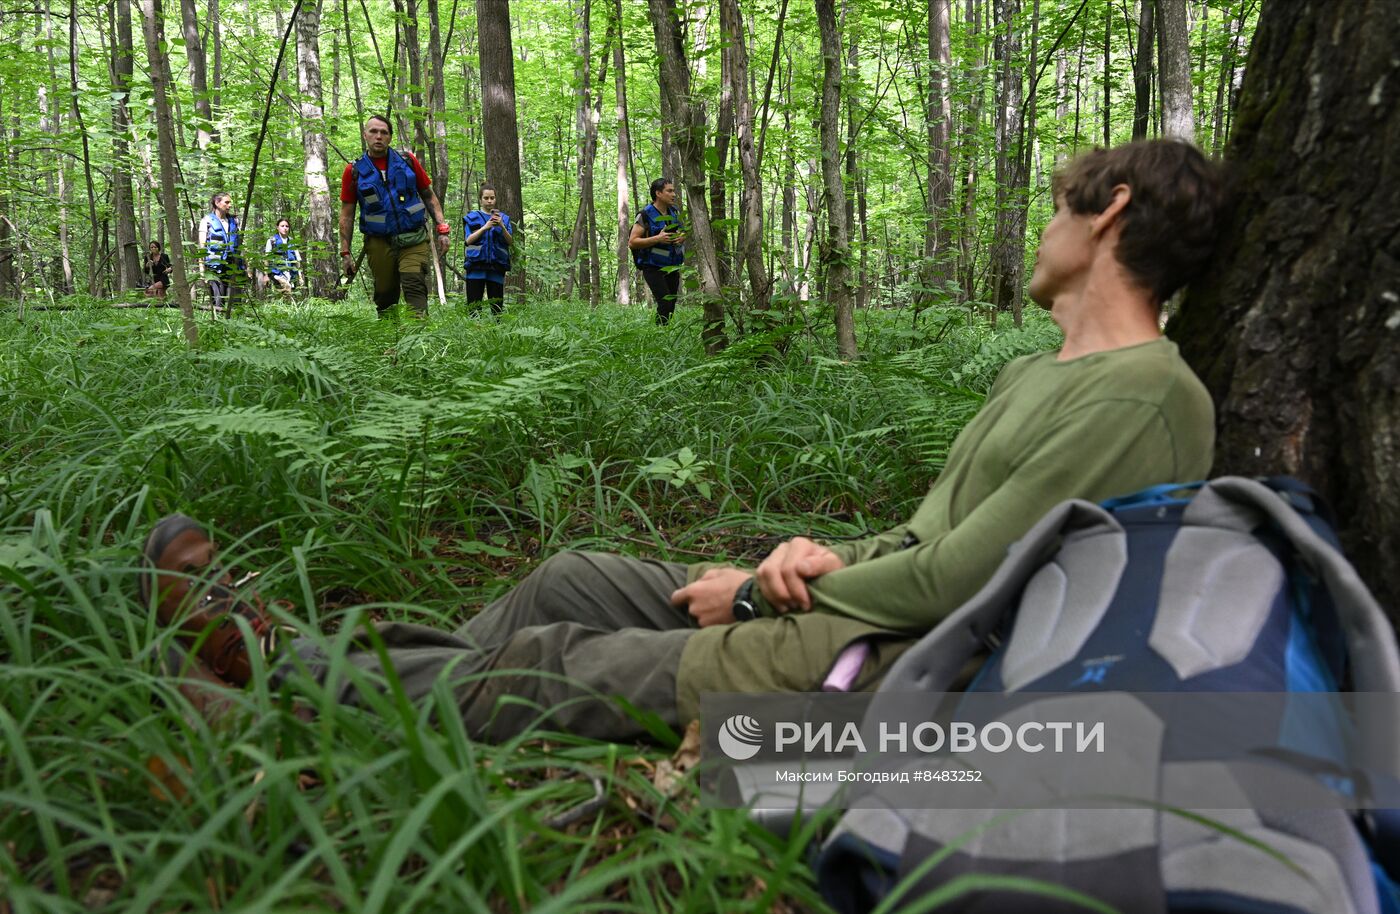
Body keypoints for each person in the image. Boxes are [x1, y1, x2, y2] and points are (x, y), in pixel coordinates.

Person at [144, 139, 1229, 744]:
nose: (1039, 229)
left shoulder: (1142, 395)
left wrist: (755, 597)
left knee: (543, 662)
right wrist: (820, 554)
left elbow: (966, 581)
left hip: (891, 666)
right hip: (864, 602)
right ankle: (379, 681)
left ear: (1108, 213)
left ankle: (286, 677)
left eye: (1054, 209)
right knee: (571, 578)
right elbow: (928, 529)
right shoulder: (1035, 369)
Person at [339, 114, 450, 318]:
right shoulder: (353, 171)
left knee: (414, 285)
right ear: (365, 135)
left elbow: (428, 195)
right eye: (373, 131)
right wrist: (345, 253)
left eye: (384, 132)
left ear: (390, 137)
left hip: (413, 237)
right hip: (378, 241)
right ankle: (390, 341)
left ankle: (419, 340)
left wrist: (442, 228)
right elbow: (347, 214)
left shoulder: (407, 161)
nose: (378, 136)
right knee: (385, 295)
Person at [629, 178, 686, 325]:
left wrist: (681, 237)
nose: (674, 194)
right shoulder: (645, 215)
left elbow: (683, 231)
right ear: (658, 193)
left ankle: (663, 331)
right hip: (652, 266)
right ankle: (659, 332)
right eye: (669, 191)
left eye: (673, 190)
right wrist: (657, 239)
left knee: (671, 304)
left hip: (672, 265)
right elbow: (632, 242)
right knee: (664, 303)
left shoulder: (674, 212)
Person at [461, 184, 514, 316]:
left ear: (495, 199)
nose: (489, 201)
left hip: (496, 267)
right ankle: (474, 333)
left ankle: (496, 333)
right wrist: (485, 227)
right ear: (480, 200)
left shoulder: (504, 219)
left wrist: (501, 226)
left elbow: (510, 241)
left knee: (497, 309)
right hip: (475, 267)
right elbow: (468, 241)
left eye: (492, 198)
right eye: (486, 198)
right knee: (474, 308)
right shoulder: (471, 217)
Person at [198, 193, 250, 314]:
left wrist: (247, 267)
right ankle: (219, 328)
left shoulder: (234, 221)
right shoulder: (207, 221)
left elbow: (240, 246)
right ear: (217, 203)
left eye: (230, 202)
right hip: (214, 267)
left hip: (233, 267)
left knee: (236, 301)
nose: (229, 205)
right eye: (226, 202)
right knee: (218, 301)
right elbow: (202, 247)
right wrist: (202, 270)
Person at [265, 218, 300, 295]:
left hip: (291, 274)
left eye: (287, 226)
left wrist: (300, 276)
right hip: (277, 273)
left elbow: (297, 260)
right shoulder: (272, 241)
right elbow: (267, 259)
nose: (285, 228)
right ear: (277, 227)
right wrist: (266, 275)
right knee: (285, 289)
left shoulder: (292, 242)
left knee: (288, 295)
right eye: (282, 226)